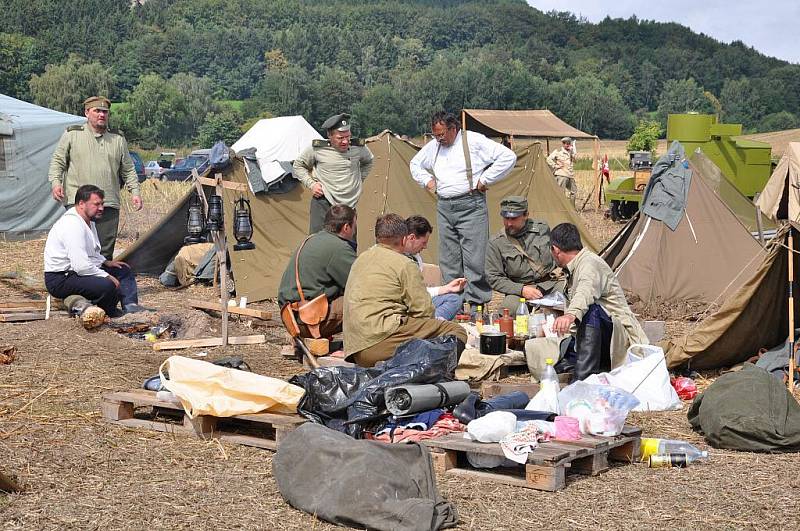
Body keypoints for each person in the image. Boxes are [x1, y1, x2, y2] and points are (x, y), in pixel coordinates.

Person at [409, 111, 516, 310]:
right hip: (444, 206)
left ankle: (477, 306)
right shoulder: (434, 146)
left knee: (475, 257)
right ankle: (454, 305)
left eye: (441, 134)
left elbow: (507, 157)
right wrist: (428, 181)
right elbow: (415, 164)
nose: (438, 139)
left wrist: (485, 180)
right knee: (449, 259)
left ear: (453, 129)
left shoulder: (473, 141)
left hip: (471, 204)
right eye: (435, 135)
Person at [343, 214, 468, 367]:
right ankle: (427, 372)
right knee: (456, 331)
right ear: (404, 239)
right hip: (380, 343)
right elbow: (424, 312)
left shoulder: (361, 259)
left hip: (356, 348)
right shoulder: (405, 264)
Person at [550, 223, 649, 381]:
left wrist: (570, 315)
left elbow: (585, 292)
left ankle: (583, 379)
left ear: (555, 250)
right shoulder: (575, 267)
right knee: (558, 359)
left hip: (619, 339)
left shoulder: (589, 264)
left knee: (591, 311)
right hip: (595, 339)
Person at [48, 96, 143, 260]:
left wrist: (135, 192)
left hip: (108, 203)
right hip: (79, 203)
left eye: (105, 111)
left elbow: (128, 169)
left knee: (104, 252)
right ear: (87, 113)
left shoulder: (117, 139)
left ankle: (102, 283)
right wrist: (56, 183)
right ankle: (78, 283)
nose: (101, 114)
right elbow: (58, 161)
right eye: (97, 111)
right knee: (78, 247)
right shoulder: (72, 134)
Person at [44, 185, 146, 319]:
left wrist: (105, 262)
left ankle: (131, 307)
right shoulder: (72, 225)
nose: (101, 208)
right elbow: (81, 266)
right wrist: (106, 276)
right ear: (81, 203)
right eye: (96, 204)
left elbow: (91, 254)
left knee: (123, 270)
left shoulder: (88, 221)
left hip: (75, 273)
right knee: (107, 285)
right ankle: (109, 313)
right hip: (61, 279)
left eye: (102, 204)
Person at [278, 205, 357, 338]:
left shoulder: (312, 239)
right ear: (346, 227)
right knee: (366, 300)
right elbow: (360, 283)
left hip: (292, 318)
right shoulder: (338, 248)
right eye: (354, 225)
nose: (354, 230)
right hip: (308, 321)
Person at [293, 113, 374, 234]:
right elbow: (298, 165)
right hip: (324, 201)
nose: (345, 141)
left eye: (348, 136)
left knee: (348, 243)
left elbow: (369, 161)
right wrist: (311, 184)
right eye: (340, 138)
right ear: (329, 136)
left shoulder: (358, 147)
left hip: (349, 204)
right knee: (318, 240)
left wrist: (358, 180)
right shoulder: (317, 149)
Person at [485, 196, 563, 314]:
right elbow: (493, 278)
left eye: (514, 218)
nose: (509, 223)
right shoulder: (496, 243)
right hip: (521, 290)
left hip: (551, 283)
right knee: (508, 311)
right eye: (506, 218)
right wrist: (521, 290)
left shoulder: (542, 228)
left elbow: (558, 253)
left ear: (526, 215)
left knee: (571, 296)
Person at [403, 215, 466, 321]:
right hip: (403, 306)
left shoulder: (416, 259)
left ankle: (432, 322)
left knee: (454, 299)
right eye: (423, 242)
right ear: (412, 238)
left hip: (417, 301)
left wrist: (447, 288)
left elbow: (420, 291)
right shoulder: (394, 257)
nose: (425, 247)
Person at [547, 136, 576, 205]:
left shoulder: (571, 152)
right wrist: (556, 166)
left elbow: (575, 161)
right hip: (561, 174)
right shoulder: (558, 151)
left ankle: (572, 209)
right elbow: (548, 159)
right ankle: (560, 208)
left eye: (569, 143)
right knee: (561, 192)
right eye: (566, 143)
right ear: (563, 144)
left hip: (570, 174)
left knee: (573, 192)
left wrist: (572, 152)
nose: (568, 145)